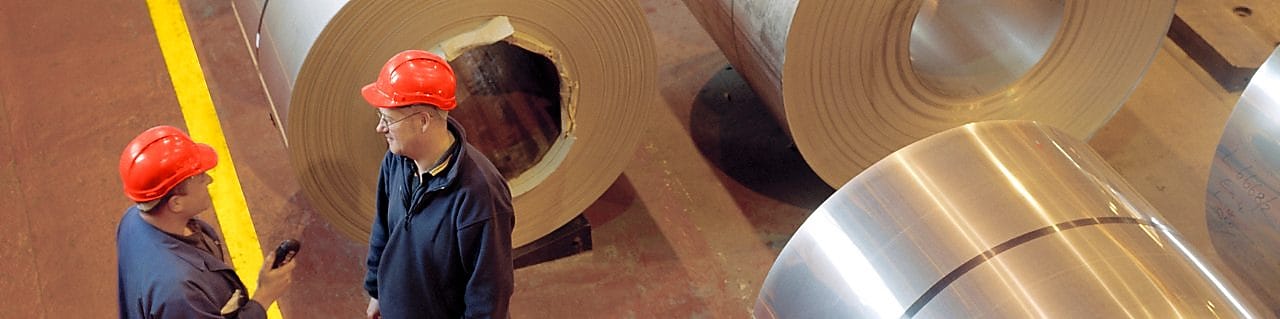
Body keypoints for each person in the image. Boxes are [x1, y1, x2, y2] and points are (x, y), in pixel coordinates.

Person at [361, 49, 516, 318]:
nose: (380, 128)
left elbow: (488, 294)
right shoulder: (396, 161)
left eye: (387, 119)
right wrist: (376, 290)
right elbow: (383, 229)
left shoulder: (479, 196)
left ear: (422, 121)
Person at [116, 125, 297, 318]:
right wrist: (264, 296)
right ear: (176, 203)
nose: (209, 180)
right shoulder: (180, 292)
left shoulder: (132, 220)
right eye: (200, 178)